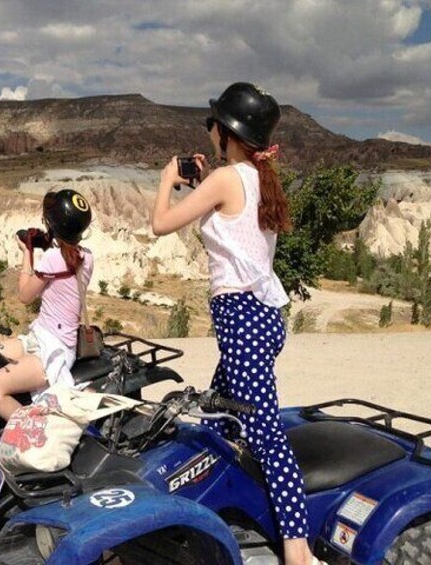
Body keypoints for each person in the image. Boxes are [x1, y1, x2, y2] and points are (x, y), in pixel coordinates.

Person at [151, 82, 321, 565]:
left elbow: (161, 224)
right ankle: (235, 504)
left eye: (213, 124)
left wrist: (167, 180)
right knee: (221, 412)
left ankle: (297, 549)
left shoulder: (225, 181)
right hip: (260, 315)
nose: (208, 130)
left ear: (226, 131)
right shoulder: (253, 177)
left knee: (266, 432)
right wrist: (201, 184)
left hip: (242, 315)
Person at [0, 188, 94, 421]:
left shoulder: (53, 259)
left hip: (52, 348)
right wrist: (49, 241)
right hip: (40, 336)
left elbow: (24, 295)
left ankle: (32, 432)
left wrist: (27, 251)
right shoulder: (87, 256)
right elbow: (66, 258)